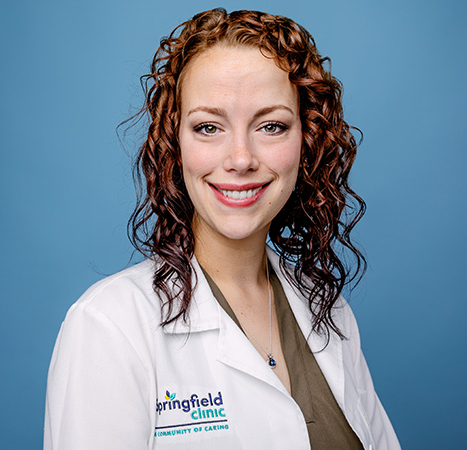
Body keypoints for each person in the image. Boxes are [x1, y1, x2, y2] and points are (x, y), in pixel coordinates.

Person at [44, 8, 399, 450]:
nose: (240, 158)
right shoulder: (109, 327)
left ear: (306, 140)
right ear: (173, 143)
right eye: (208, 127)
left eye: (271, 126)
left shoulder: (330, 314)